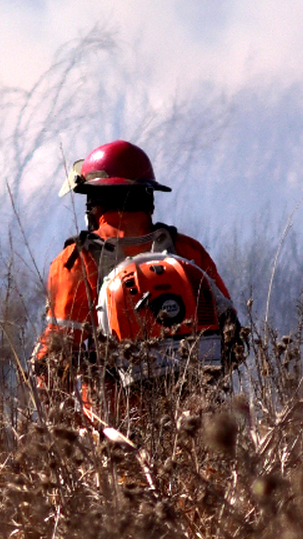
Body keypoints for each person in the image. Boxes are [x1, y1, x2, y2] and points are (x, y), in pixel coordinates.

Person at [31, 139, 240, 426]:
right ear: (149, 198)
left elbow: (55, 362)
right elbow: (232, 338)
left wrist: (68, 438)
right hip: (195, 425)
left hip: (113, 429)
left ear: (93, 202)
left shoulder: (76, 262)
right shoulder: (188, 252)